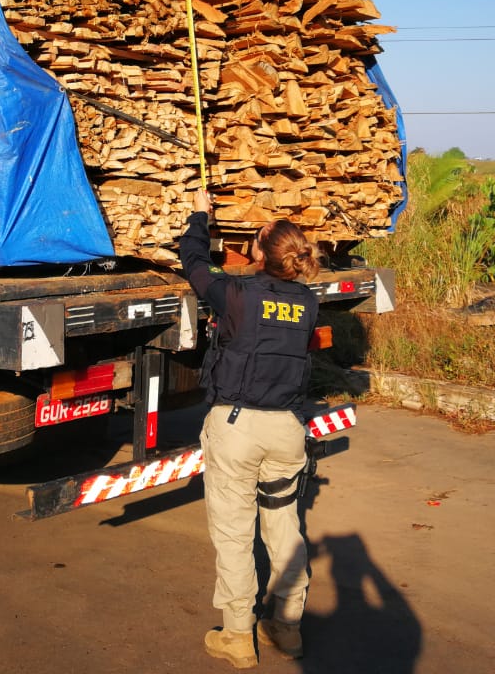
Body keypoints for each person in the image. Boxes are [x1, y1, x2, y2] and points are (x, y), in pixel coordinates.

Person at [179, 188, 321, 669]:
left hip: (237, 428)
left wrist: (200, 216)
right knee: (285, 527)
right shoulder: (308, 303)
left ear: (259, 253)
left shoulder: (236, 294)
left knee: (235, 534)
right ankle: (287, 626)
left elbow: (194, 262)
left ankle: (238, 636)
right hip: (286, 429)